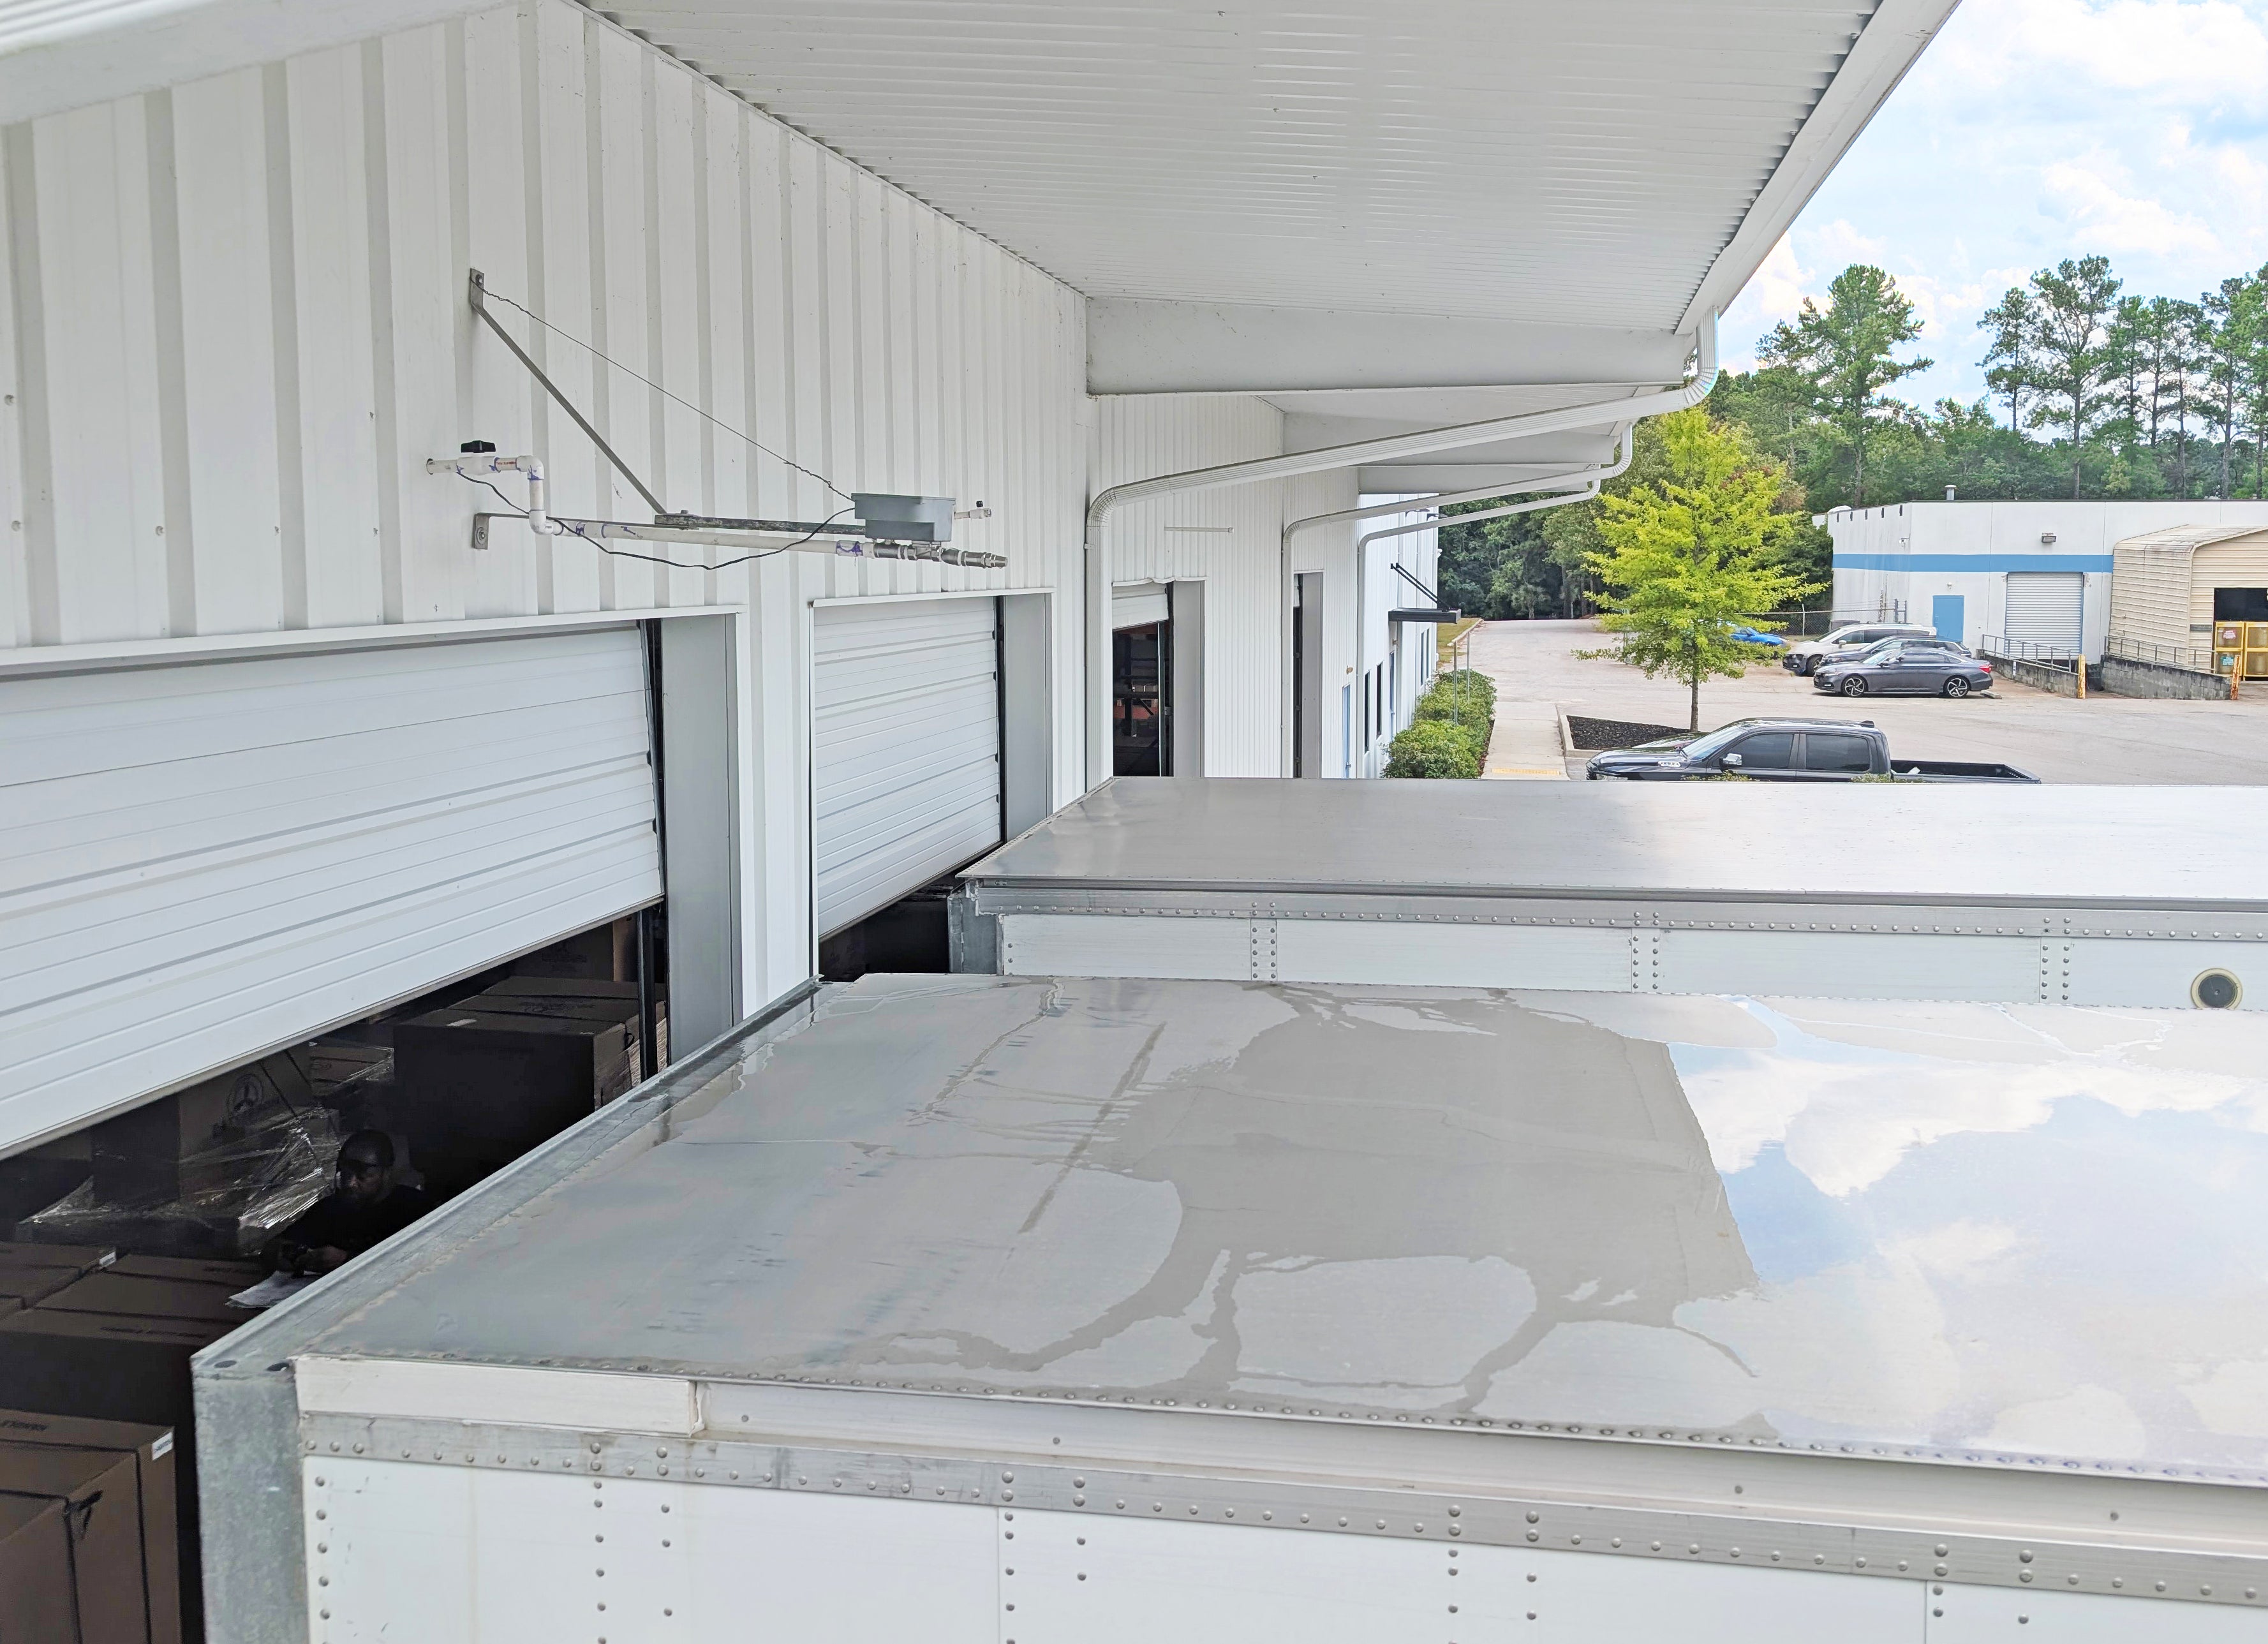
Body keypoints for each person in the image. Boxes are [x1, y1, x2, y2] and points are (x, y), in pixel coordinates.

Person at [267, 1130, 434, 1275]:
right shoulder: (331, 1209)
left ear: (386, 1173)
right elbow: (273, 1248)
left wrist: (347, 1259)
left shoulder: (414, 1208)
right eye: (346, 1173)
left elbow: (426, 1260)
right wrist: (292, 1254)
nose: (350, 1183)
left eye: (363, 1175)